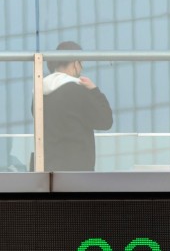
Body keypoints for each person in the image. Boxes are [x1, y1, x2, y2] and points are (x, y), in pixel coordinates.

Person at [36, 41, 114, 171]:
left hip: (48, 170)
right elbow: (106, 121)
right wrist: (94, 90)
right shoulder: (77, 91)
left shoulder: (40, 93)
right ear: (75, 63)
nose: (82, 68)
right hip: (76, 173)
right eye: (81, 62)